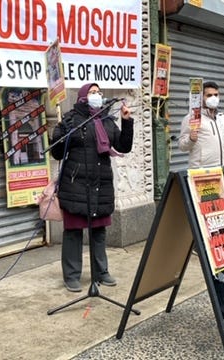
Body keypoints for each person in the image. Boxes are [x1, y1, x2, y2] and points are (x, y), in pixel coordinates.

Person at [50, 83, 133, 292]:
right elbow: (57, 153)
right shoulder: (71, 119)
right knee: (73, 231)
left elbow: (123, 146)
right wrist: (59, 132)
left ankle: (101, 272)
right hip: (75, 184)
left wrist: (126, 121)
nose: (97, 95)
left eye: (98, 92)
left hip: (100, 184)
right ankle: (71, 275)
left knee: (99, 231)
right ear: (82, 97)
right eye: (92, 92)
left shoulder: (106, 120)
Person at [178, 81, 224, 168]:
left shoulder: (223, 118)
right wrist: (191, 139)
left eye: (216, 95)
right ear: (201, 97)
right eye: (209, 95)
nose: (213, 98)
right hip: (203, 171)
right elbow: (182, 146)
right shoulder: (192, 118)